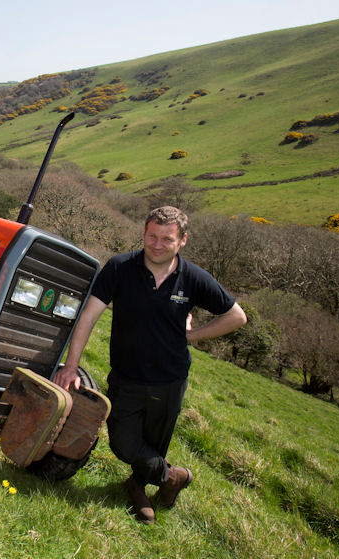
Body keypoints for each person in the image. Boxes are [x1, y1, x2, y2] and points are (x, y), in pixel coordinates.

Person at [53, 206, 246, 524]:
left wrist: (193, 335)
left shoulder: (194, 278)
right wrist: (71, 366)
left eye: (166, 239)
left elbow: (237, 316)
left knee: (154, 445)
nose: (157, 244)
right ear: (143, 233)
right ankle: (174, 477)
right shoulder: (119, 268)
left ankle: (137, 487)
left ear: (182, 240)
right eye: (151, 236)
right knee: (124, 445)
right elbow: (88, 316)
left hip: (169, 381)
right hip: (126, 377)